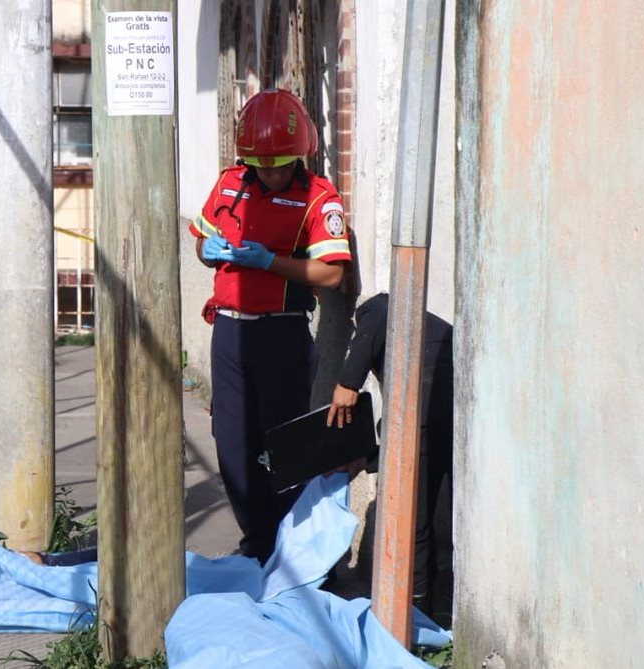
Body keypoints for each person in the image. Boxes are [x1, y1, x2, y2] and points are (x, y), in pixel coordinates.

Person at [189, 89, 354, 564]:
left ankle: (293, 552)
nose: (271, 173)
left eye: (280, 165)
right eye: (262, 166)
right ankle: (255, 543)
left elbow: (332, 273)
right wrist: (210, 252)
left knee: (280, 446)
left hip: (280, 333)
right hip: (228, 329)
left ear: (299, 155)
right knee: (231, 442)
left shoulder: (318, 197)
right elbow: (201, 243)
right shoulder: (228, 184)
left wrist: (270, 262)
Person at [326, 292, 453, 616]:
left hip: (428, 413)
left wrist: (348, 382)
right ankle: (438, 610)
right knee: (439, 514)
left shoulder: (379, 309)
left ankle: (417, 612)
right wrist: (365, 461)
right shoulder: (428, 333)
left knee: (417, 518)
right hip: (448, 414)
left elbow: (378, 320)